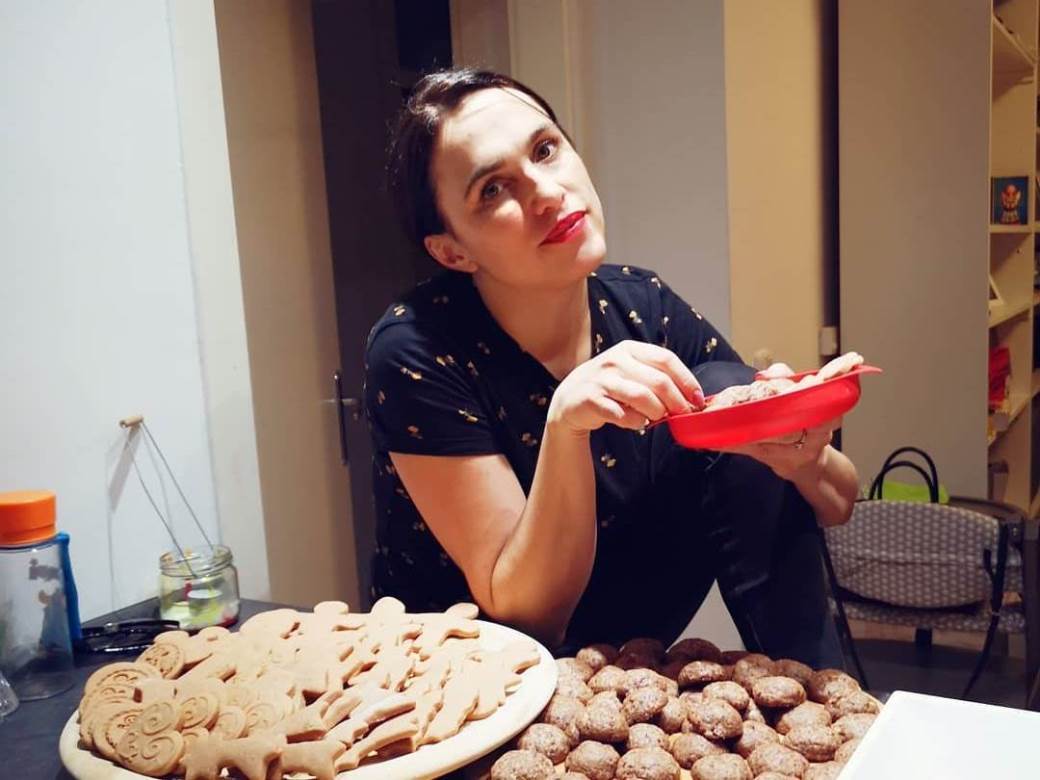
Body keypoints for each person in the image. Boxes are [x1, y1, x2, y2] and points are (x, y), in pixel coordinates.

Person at [363, 68, 859, 665]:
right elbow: (526, 616)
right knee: (719, 395)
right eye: (493, 189)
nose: (547, 193)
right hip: (468, 673)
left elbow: (839, 502)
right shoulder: (416, 349)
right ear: (452, 250)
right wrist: (564, 427)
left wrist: (802, 455)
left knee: (728, 392)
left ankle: (823, 694)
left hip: (626, 657)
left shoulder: (646, 309)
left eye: (545, 150)